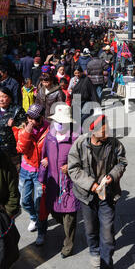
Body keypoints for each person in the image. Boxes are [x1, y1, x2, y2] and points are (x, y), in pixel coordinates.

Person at [68, 114, 127, 269]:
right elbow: (73, 169)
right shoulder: (80, 144)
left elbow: (122, 162)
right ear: (92, 131)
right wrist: (91, 185)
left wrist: (112, 175)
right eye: (103, 130)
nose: (107, 133)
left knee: (107, 232)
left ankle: (106, 265)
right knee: (90, 229)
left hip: (107, 194)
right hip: (86, 196)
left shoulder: (114, 143)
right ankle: (94, 251)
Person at [38, 105, 80, 257]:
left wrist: (70, 166)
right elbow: (44, 155)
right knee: (54, 210)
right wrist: (45, 165)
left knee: (69, 215)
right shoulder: (50, 135)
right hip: (53, 181)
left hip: (69, 183)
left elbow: (84, 160)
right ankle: (69, 230)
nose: (59, 124)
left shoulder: (76, 137)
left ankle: (68, 246)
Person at [15, 104, 50, 244]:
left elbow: (54, 147)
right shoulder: (23, 128)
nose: (31, 121)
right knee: (24, 201)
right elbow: (20, 148)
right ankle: (34, 218)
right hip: (25, 169)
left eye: (34, 118)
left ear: (41, 118)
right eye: (29, 117)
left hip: (41, 171)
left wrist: (48, 158)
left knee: (40, 203)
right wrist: (27, 132)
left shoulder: (49, 129)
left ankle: (42, 230)